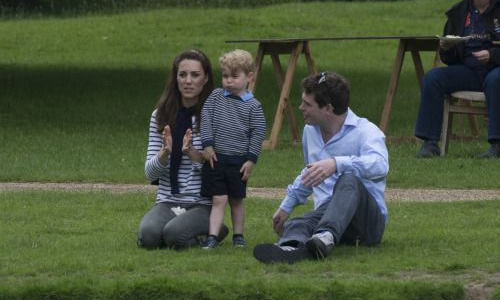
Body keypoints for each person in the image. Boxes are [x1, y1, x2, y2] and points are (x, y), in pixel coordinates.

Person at [253, 72, 389, 264]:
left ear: (328, 108)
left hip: (367, 225)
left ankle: (325, 237)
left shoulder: (366, 131)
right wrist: (287, 205)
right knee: (298, 224)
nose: (301, 108)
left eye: (307, 104)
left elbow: (380, 166)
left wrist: (336, 164)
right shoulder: (310, 130)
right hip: (327, 213)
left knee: (348, 178)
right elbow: (310, 172)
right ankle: (291, 249)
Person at [138, 49, 228, 249]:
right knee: (148, 238)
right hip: (167, 200)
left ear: (205, 79)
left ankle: (216, 228)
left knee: (174, 235)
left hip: (202, 203)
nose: (188, 81)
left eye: (195, 75)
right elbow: (149, 173)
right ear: (175, 78)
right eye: (182, 74)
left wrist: (193, 155)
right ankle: (187, 231)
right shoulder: (160, 116)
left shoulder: (214, 116)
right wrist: (165, 152)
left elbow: (220, 172)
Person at [415, 0, 500, 158]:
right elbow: (450, 58)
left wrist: (492, 54)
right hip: (469, 71)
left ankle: (497, 145)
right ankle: (430, 143)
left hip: (495, 70)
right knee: (433, 78)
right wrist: (446, 47)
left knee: (496, 79)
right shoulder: (458, 13)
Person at [200, 49, 267, 249]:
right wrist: (208, 145)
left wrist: (251, 159)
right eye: (225, 76)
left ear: (249, 77)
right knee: (218, 198)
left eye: (234, 76)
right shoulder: (215, 97)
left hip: (238, 161)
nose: (228, 81)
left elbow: (258, 133)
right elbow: (206, 119)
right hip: (216, 159)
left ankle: (239, 236)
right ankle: (213, 236)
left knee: (237, 199)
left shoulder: (254, 106)